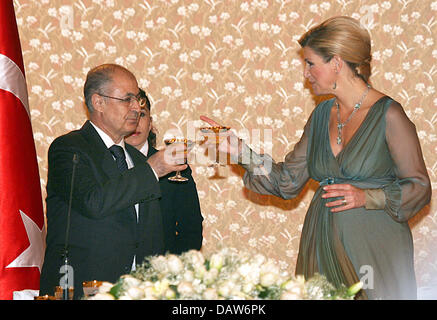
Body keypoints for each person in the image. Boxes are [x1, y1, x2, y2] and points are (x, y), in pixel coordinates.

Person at [200, 16, 431, 299]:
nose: (306, 74)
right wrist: (241, 153)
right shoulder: (321, 116)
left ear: (336, 63)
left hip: (375, 249)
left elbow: (419, 188)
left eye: (310, 64)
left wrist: (367, 197)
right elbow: (287, 182)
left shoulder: (389, 115)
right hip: (321, 246)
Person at [39, 64, 187, 299]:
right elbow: (93, 202)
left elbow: (152, 237)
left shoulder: (139, 160)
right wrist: (153, 169)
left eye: (138, 100)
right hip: (80, 290)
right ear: (98, 102)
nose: (137, 108)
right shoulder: (69, 149)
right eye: (127, 99)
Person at [125, 89, 203, 254]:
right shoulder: (106, 164)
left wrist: (171, 271)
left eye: (142, 115)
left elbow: (191, 229)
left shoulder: (175, 166)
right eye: (130, 115)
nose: (136, 122)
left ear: (151, 122)